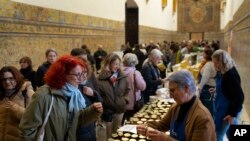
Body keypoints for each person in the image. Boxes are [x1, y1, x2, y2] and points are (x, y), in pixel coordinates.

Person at [19, 55, 103, 141]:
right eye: (77, 75)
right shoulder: (43, 95)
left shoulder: (75, 93)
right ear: (62, 75)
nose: (82, 78)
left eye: (82, 73)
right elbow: (27, 130)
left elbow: (76, 121)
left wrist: (92, 111)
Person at [137, 70, 216, 141]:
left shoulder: (203, 118)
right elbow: (162, 125)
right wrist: (146, 126)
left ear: (186, 88)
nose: (171, 96)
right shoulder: (176, 107)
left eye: (172, 90)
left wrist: (165, 139)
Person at [211, 49, 244, 141]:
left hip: (226, 112)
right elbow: (228, 90)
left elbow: (240, 97)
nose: (214, 65)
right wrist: (217, 90)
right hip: (224, 109)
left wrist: (232, 114)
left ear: (222, 62)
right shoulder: (225, 71)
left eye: (215, 63)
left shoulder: (229, 76)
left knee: (217, 135)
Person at [70, 48, 102, 141]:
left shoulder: (89, 77)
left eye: (85, 60)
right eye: (79, 59)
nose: (83, 62)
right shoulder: (68, 86)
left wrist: (93, 94)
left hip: (90, 126)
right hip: (77, 131)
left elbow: (99, 98)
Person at [97, 53, 129, 139]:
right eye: (115, 64)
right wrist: (107, 73)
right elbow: (98, 94)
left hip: (119, 109)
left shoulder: (123, 76)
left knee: (118, 133)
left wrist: (124, 100)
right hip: (108, 111)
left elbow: (127, 90)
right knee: (109, 135)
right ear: (108, 63)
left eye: (118, 64)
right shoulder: (100, 78)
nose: (117, 66)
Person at [0, 66, 34, 141]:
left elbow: (33, 119)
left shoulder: (27, 92)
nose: (7, 82)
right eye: (4, 79)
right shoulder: (1, 94)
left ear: (17, 77)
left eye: (11, 78)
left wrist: (15, 108)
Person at [122, 53, 146, 122]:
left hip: (122, 102)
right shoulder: (135, 73)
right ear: (135, 62)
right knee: (133, 121)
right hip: (133, 103)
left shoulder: (120, 72)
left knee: (122, 121)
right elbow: (142, 87)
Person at [197, 48, 216, 117]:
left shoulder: (208, 64)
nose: (202, 54)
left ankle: (208, 118)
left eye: (204, 53)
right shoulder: (211, 63)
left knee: (208, 104)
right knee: (210, 103)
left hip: (208, 86)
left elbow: (205, 76)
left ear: (207, 55)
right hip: (211, 85)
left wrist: (200, 87)